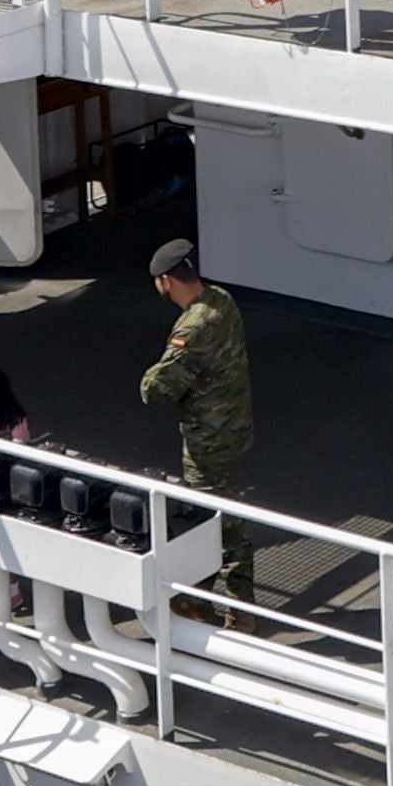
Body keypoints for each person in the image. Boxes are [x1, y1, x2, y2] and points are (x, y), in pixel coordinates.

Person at [137, 242, 259, 604]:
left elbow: (155, 389)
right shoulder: (221, 299)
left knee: (218, 520)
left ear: (165, 280)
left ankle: (238, 606)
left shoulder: (192, 328)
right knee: (216, 512)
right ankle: (202, 598)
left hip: (209, 438)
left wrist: (148, 377)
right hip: (235, 424)